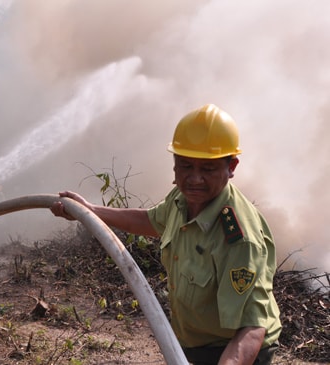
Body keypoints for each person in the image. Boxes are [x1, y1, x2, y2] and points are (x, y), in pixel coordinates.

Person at [50, 104, 282, 365]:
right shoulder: (182, 199)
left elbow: (251, 330)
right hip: (191, 343)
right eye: (185, 167)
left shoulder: (239, 239)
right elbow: (151, 221)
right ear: (174, 166)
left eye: (207, 169)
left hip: (233, 351)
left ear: (231, 166)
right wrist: (90, 211)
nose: (194, 179)